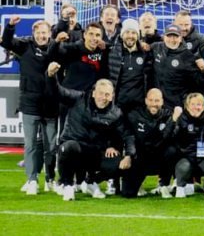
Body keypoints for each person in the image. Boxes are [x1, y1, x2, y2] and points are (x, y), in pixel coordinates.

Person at [45, 63, 134, 201]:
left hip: (95, 154)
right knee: (68, 147)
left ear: (112, 96)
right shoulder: (78, 99)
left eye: (107, 94)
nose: (103, 97)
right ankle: (68, 185)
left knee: (124, 164)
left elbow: (127, 135)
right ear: (93, 93)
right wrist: (51, 75)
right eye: (100, 93)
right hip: (76, 151)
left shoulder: (116, 113)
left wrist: (128, 155)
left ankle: (91, 181)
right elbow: (57, 92)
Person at [2, 15, 58, 194]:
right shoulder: (24, 46)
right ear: (33, 34)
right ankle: (32, 179)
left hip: (50, 104)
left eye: (45, 32)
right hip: (29, 104)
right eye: (39, 32)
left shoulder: (56, 49)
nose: (42, 35)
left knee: (51, 145)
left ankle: (50, 179)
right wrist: (10, 26)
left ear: (50, 33)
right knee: (31, 144)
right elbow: (7, 43)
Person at [121, 89, 181, 198]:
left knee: (172, 150)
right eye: (151, 100)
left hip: (158, 160)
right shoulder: (134, 115)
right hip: (139, 161)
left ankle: (164, 185)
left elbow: (167, 138)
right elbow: (127, 136)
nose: (154, 104)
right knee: (128, 194)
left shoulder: (169, 115)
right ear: (146, 101)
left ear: (162, 102)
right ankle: (136, 184)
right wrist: (128, 155)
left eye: (157, 101)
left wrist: (173, 120)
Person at [173, 93, 204, 198]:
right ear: (187, 106)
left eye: (199, 104)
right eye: (193, 104)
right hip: (185, 157)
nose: (196, 107)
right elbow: (171, 137)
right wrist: (174, 121)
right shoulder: (180, 119)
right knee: (183, 167)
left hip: (202, 158)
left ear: (203, 106)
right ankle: (180, 186)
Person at [107, 19, 152, 113]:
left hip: (139, 107)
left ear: (138, 35)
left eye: (133, 33)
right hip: (117, 106)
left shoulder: (146, 53)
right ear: (122, 34)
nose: (130, 36)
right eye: (127, 32)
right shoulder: (112, 53)